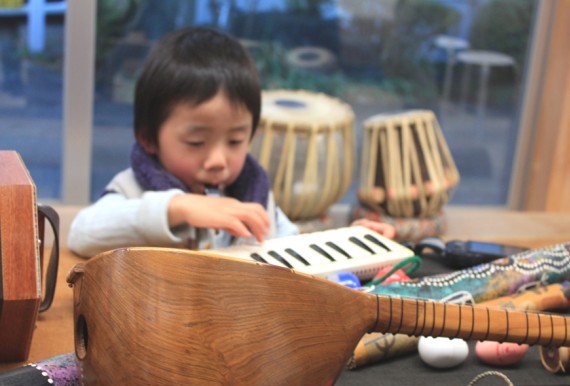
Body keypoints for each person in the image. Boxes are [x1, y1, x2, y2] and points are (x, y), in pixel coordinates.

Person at [68, 26, 394, 258]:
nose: (218, 160)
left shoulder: (253, 195)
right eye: (196, 142)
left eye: (236, 140)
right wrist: (177, 208)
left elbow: (293, 253)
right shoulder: (133, 190)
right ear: (148, 137)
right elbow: (82, 233)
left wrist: (353, 243)